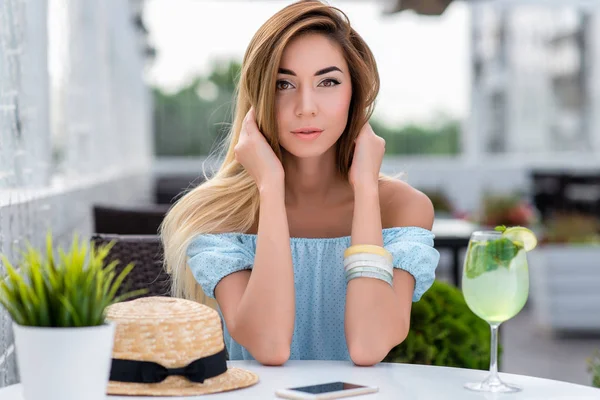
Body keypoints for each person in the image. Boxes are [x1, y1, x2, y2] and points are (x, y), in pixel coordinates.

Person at [160, 0, 440, 367]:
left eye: (328, 82)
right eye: (283, 84)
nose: (305, 106)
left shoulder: (402, 209)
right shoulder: (217, 215)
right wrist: (270, 189)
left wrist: (367, 191)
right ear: (259, 96)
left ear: (354, 93)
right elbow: (271, 346)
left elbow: (368, 345)